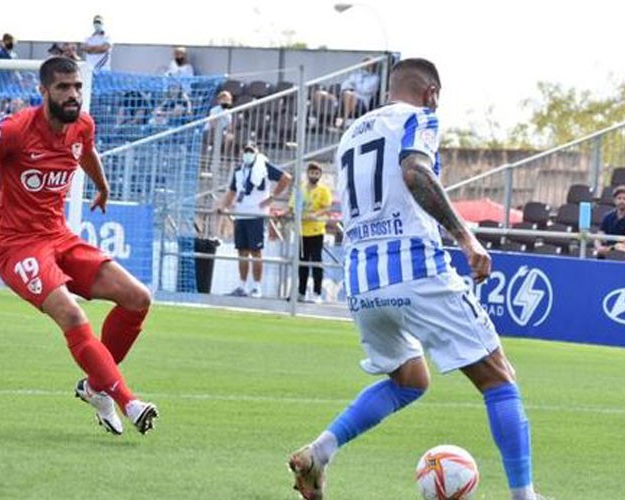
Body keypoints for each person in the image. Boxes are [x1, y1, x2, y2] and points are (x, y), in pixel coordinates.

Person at [288, 58, 544, 500]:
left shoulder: (351, 134)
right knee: (499, 378)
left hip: (362, 279)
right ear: (431, 94)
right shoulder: (420, 118)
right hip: (414, 268)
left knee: (409, 380)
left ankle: (321, 451)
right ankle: (525, 496)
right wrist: (466, 238)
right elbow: (415, 170)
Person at [0, 56, 158, 437]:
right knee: (72, 314)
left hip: (59, 236)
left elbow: (86, 151)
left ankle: (96, 386)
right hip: (18, 247)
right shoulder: (15, 129)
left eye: (78, 87)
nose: (73, 95)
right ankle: (128, 401)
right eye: (64, 87)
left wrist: (102, 186)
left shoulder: (82, 124)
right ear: (44, 91)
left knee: (138, 297)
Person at [217, 143, 291, 298]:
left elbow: (285, 178)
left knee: (256, 251)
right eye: (246, 152)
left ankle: (257, 287)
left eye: (251, 152)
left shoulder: (263, 167)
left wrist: (271, 198)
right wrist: (223, 206)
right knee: (242, 251)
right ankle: (242, 286)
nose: (248, 154)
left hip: (257, 215)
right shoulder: (239, 171)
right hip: (241, 215)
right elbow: (232, 191)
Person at [288, 162, 332, 303]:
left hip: (316, 230)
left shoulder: (323, 190)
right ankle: (301, 292)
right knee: (302, 263)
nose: (314, 176)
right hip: (302, 231)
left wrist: (315, 215)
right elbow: (293, 206)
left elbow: (326, 208)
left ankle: (317, 293)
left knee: (316, 261)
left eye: (316, 173)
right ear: (307, 173)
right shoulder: (300, 189)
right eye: (311, 173)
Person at [595, 185, 625, 257]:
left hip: (622, 254)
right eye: (619, 198)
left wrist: (611, 249)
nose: (621, 201)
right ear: (614, 200)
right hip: (605, 251)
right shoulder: (607, 217)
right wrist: (599, 247)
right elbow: (599, 235)